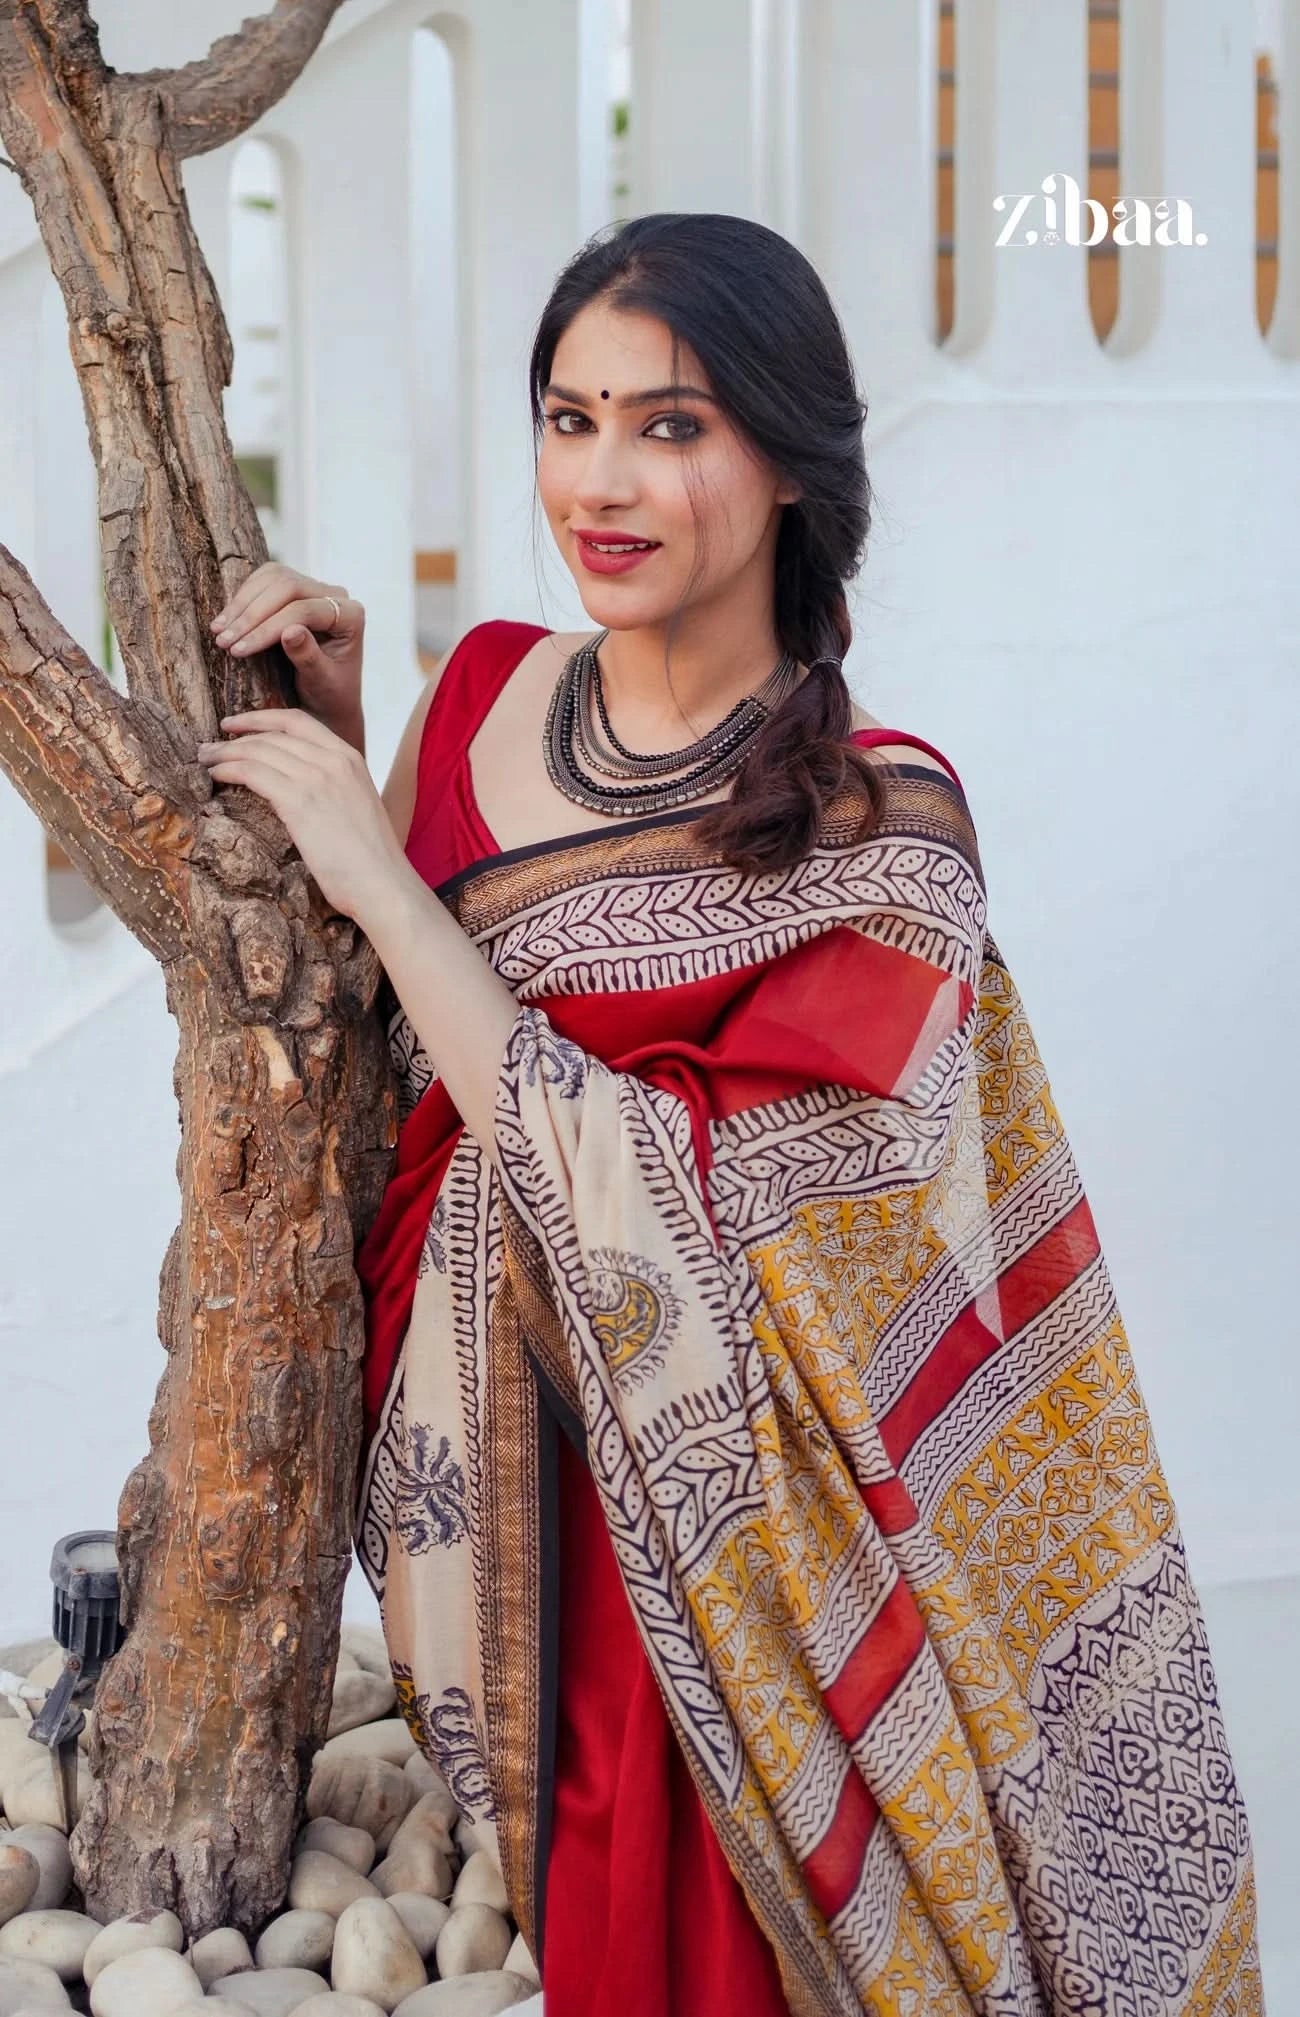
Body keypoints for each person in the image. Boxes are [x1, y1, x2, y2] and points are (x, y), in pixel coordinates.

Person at [197, 213, 1263, 2015]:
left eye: (672, 427)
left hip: (742, 1591)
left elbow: (702, 1231)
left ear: (789, 461)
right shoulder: (480, 698)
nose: (600, 480)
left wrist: (385, 882)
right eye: (569, 415)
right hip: (519, 1538)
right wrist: (369, 753)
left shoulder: (881, 835)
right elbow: (389, 1084)